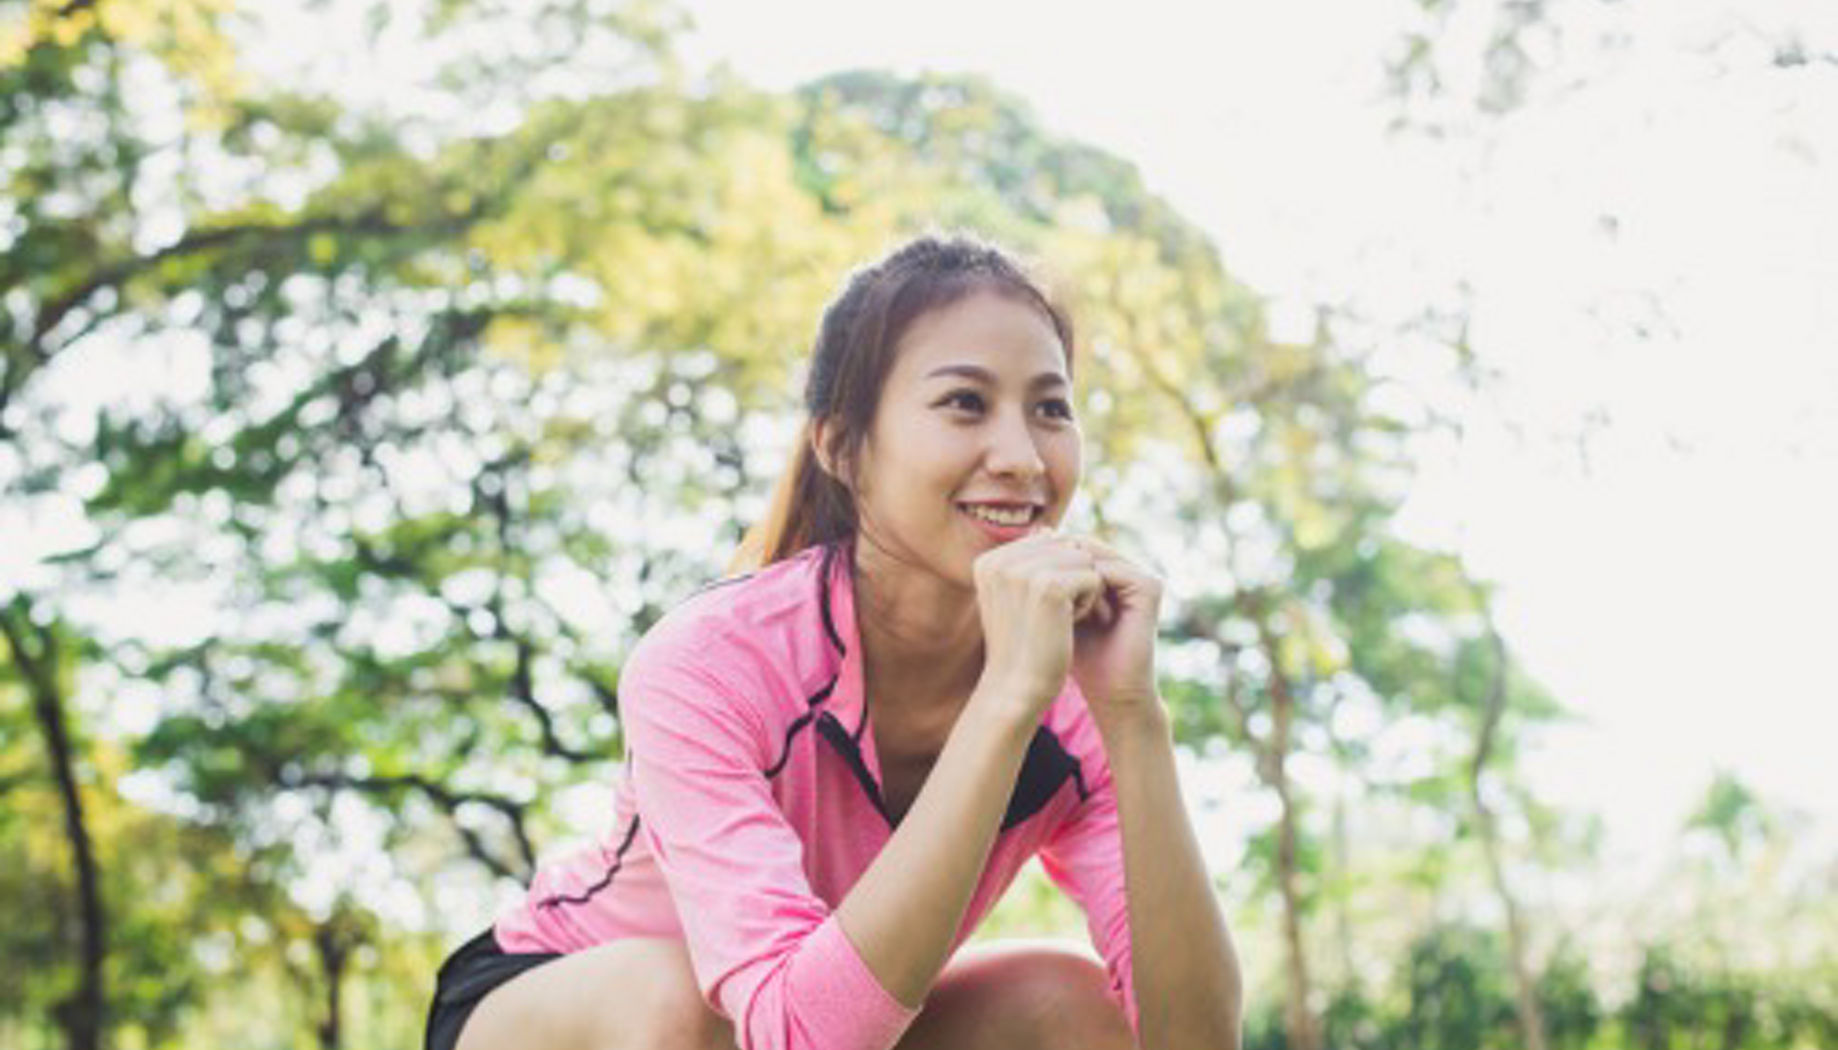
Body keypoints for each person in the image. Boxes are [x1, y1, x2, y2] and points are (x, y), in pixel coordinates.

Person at [424, 234, 1243, 1050]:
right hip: (562, 1005)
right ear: (843, 447)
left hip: (842, 1022)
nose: (1023, 458)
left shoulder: (1078, 704)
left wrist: (1134, 716)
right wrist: (1003, 703)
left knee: (1071, 1006)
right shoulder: (711, 662)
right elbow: (791, 1036)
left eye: (1051, 409)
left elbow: (1194, 1045)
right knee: (684, 1009)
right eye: (965, 402)